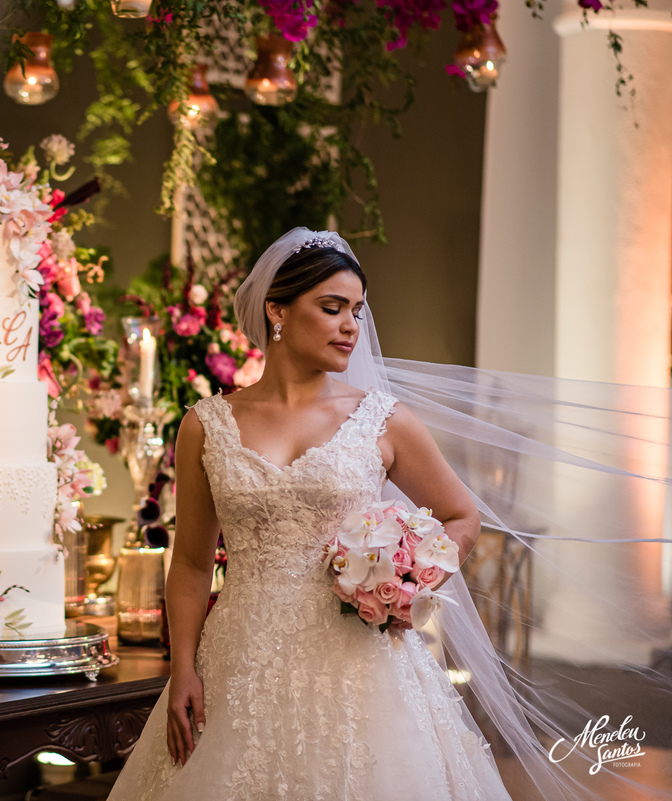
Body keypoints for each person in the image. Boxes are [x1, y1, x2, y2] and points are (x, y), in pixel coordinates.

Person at [107, 228, 672, 800]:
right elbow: (191, 565)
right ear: (276, 312)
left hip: (358, 660)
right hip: (239, 658)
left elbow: (461, 517)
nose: (352, 326)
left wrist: (408, 576)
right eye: (332, 309)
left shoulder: (383, 419)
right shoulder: (206, 425)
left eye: (357, 310)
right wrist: (183, 669)